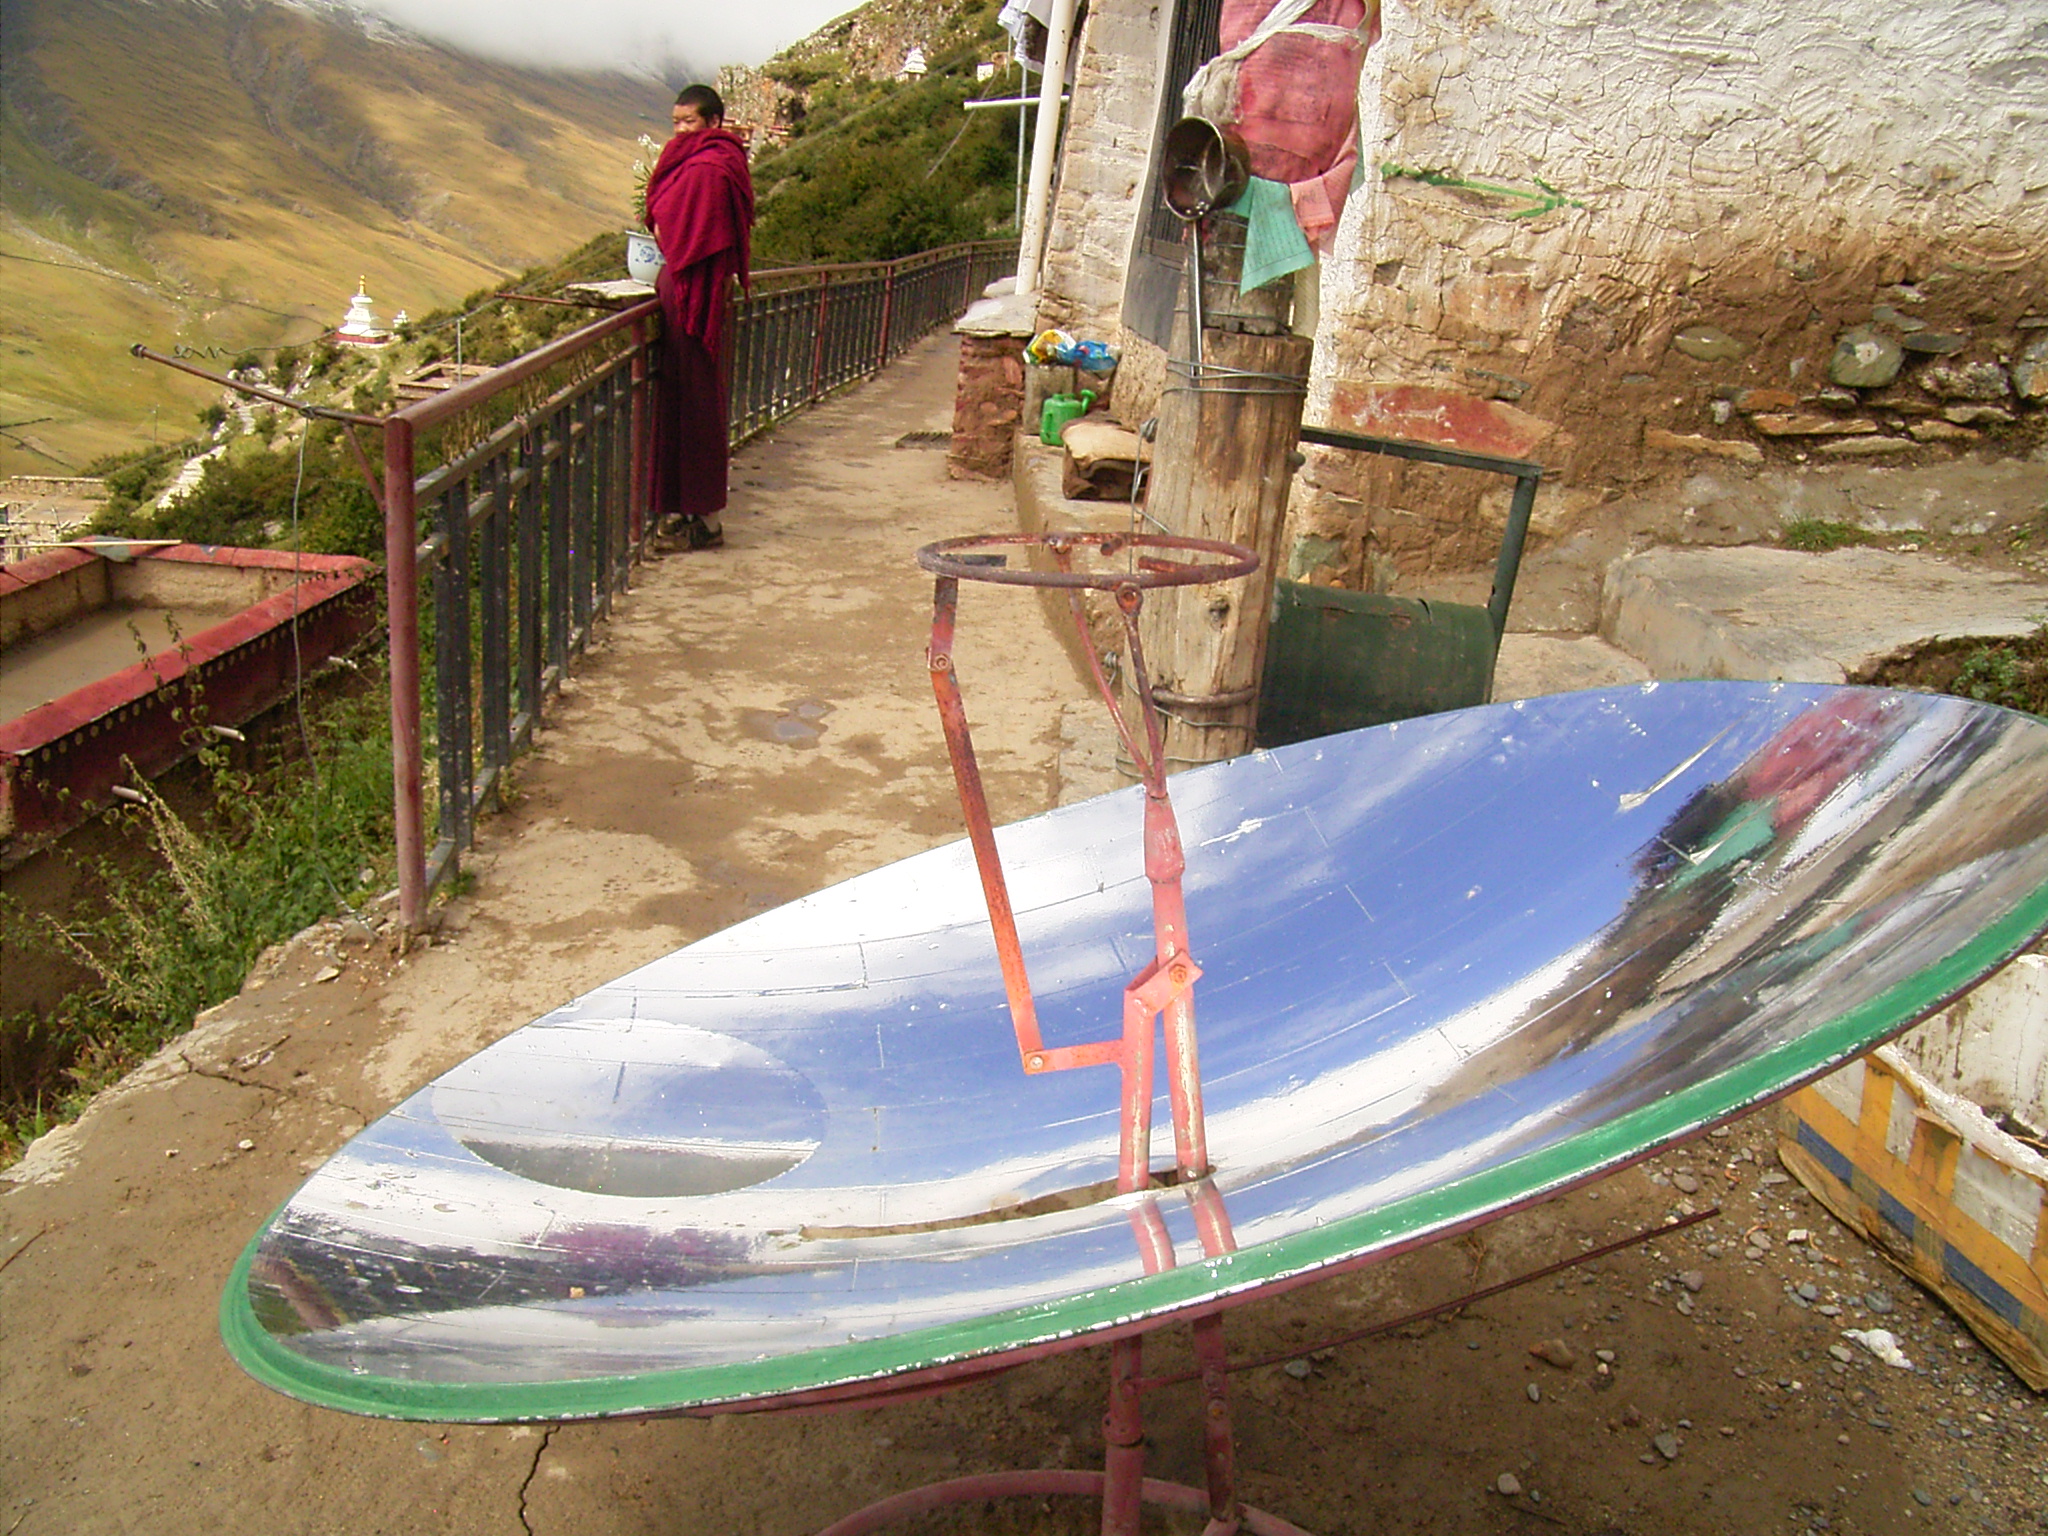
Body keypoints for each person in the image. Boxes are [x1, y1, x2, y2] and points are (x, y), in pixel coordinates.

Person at [643, 83, 755, 551]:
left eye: (689, 122)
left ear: (713, 123)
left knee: (694, 404)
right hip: (693, 293)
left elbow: (673, 226)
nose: (680, 131)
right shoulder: (717, 161)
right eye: (675, 122)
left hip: (694, 297)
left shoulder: (709, 167)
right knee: (685, 403)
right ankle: (684, 512)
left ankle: (704, 521)